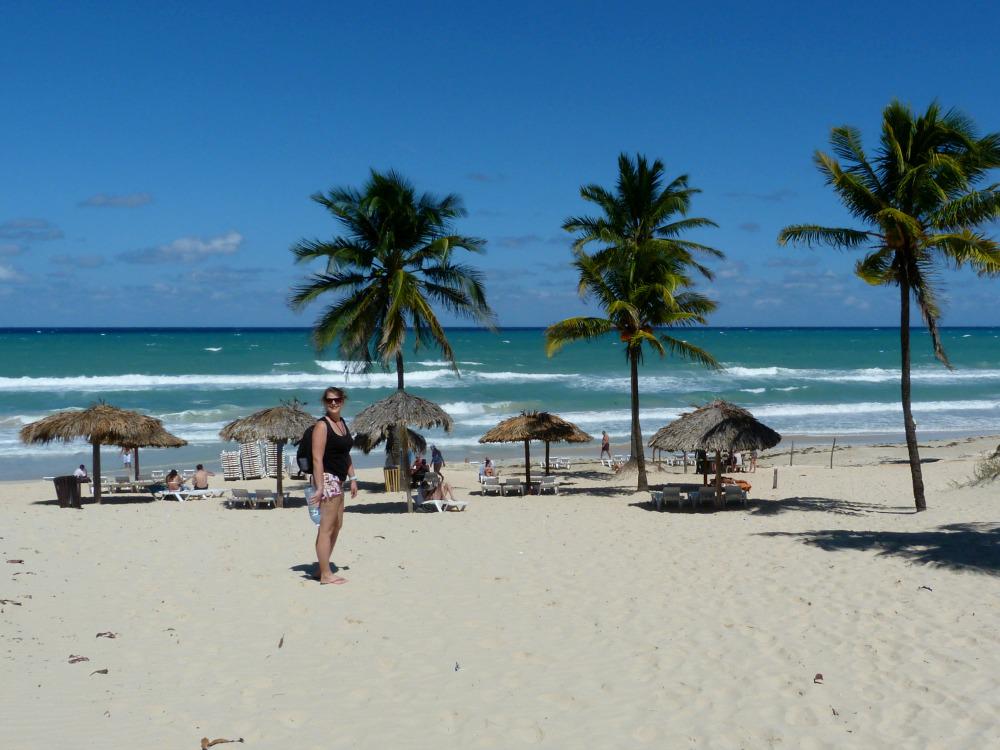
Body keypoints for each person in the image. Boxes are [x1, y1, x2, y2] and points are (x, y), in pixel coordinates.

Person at [310, 386, 357, 585]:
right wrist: (320, 487)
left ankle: (322, 568)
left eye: (337, 399)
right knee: (326, 528)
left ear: (342, 400)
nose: (334, 403)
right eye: (329, 400)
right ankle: (326, 575)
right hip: (327, 479)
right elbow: (317, 459)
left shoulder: (342, 424)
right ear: (324, 402)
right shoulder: (322, 426)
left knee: (337, 525)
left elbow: (345, 454)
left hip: (340, 480)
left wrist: (353, 478)